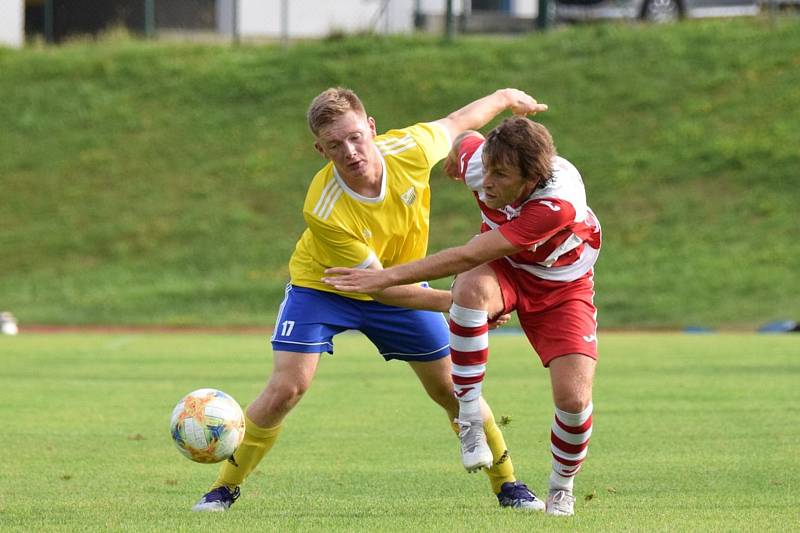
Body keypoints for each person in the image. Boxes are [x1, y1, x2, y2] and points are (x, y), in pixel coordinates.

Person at [192, 88, 551, 512]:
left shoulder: (409, 149)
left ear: (372, 128)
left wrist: (505, 96)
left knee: (452, 389)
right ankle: (223, 487)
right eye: (335, 145)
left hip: (397, 281)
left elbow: (458, 121)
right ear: (320, 150)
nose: (350, 151)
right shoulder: (323, 208)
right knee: (288, 387)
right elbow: (375, 285)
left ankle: (507, 485)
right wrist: (455, 303)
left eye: (355, 137)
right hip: (325, 286)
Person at [324, 116, 602, 517]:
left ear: (531, 179)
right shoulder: (482, 163)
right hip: (506, 268)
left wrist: (386, 276)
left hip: (562, 286)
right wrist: (458, 152)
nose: (485, 182)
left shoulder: (556, 203)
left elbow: (471, 253)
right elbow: (467, 137)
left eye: (500, 175)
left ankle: (562, 486)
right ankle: (470, 419)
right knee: (467, 291)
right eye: (485, 168)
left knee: (574, 401)